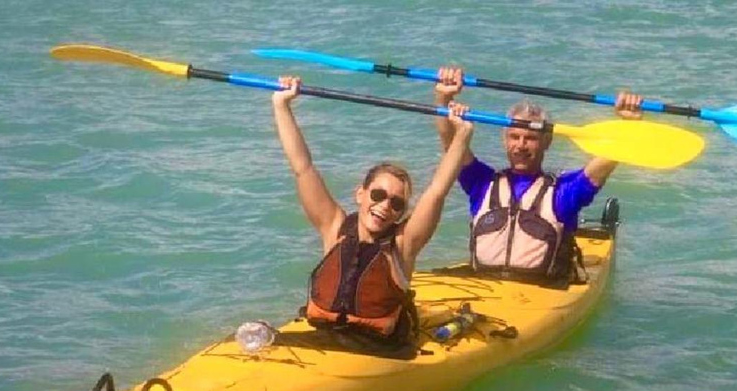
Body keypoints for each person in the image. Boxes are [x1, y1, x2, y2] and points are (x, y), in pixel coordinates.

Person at [272, 76, 474, 346]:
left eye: (396, 203)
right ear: (360, 194)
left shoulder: (403, 245)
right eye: (378, 195)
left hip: (377, 350)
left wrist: (462, 135)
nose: (384, 206)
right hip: (322, 337)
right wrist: (281, 105)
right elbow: (302, 167)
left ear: (401, 214)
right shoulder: (334, 228)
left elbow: (438, 189)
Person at [433, 67, 643, 287]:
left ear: (547, 141)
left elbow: (606, 161)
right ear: (505, 140)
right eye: (514, 136)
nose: (521, 145)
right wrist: (444, 97)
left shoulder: (563, 193)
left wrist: (628, 125)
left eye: (530, 138)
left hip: (540, 293)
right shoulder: (482, 183)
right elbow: (452, 145)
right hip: (485, 288)